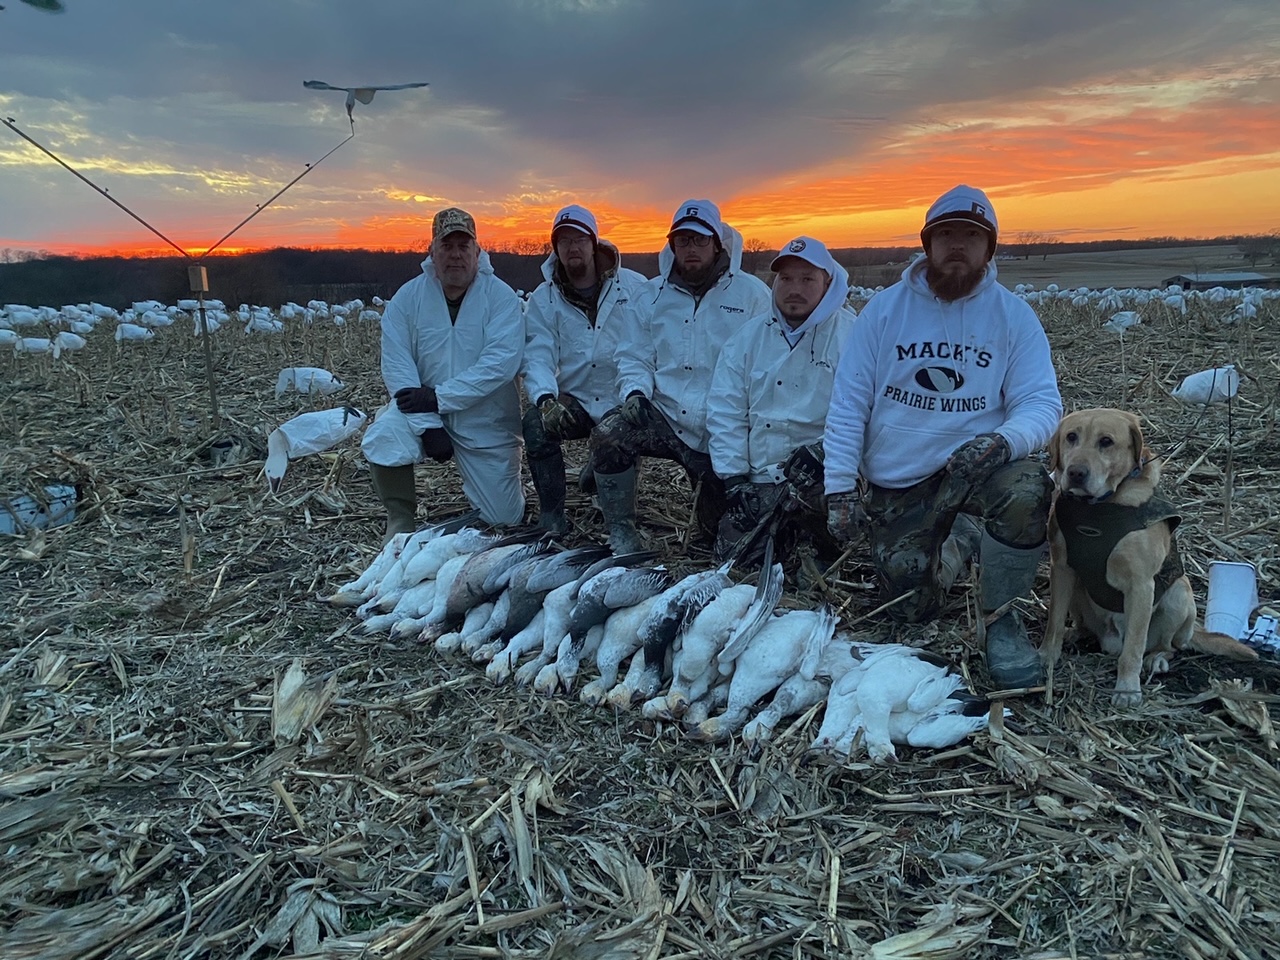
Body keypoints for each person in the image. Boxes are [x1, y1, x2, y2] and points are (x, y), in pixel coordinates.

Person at [823, 185, 1062, 689]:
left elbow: (1041, 404)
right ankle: (960, 540)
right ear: (927, 244)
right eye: (947, 235)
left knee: (1028, 490)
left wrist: (1003, 442)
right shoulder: (884, 312)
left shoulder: (1014, 317)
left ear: (989, 249)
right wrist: (840, 487)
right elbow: (848, 404)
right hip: (901, 476)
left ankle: (1002, 621)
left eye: (971, 237)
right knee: (907, 609)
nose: (958, 246)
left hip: (977, 468)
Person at [592, 199, 772, 552]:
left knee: (715, 545)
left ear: (718, 242)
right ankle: (622, 532)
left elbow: (765, 365)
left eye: (700, 240)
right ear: (672, 244)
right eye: (683, 240)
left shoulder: (752, 296)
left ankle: (712, 502)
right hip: (665, 415)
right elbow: (633, 354)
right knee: (609, 434)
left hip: (721, 426)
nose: (691, 248)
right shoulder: (650, 296)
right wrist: (635, 393)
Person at [361, 207, 525, 539]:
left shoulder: (502, 298)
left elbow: (500, 365)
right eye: (446, 246)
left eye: (463, 247)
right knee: (384, 435)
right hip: (418, 409)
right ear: (432, 251)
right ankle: (401, 521)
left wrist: (440, 398)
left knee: (506, 519)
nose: (455, 256)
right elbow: (397, 363)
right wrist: (428, 423)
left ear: (477, 252)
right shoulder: (408, 299)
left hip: (485, 419)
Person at [706, 236, 856, 566]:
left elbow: (865, 413)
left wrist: (822, 452)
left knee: (815, 572)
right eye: (786, 278)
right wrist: (733, 479)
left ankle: (817, 544)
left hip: (822, 479)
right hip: (761, 479)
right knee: (733, 565)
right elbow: (725, 411)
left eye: (807, 279)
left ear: (827, 283)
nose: (794, 289)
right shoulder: (747, 338)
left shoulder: (852, 337)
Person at [521, 204, 647, 534]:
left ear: (594, 243)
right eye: (564, 241)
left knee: (614, 443)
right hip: (576, 399)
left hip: (624, 398)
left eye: (580, 239)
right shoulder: (543, 299)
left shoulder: (634, 287)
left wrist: (641, 393)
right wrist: (545, 399)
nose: (572, 247)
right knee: (535, 425)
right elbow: (537, 355)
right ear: (555, 248)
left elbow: (653, 346)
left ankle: (610, 484)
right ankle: (552, 514)